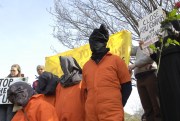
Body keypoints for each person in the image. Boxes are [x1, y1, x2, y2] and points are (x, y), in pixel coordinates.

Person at [82, 24, 132, 121]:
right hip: (91, 117)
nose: (93, 45)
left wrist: (117, 106)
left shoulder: (116, 61)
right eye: (92, 42)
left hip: (113, 115)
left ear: (103, 42)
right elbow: (85, 92)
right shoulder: (86, 66)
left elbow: (127, 86)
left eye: (96, 42)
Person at [149, 18, 180, 120]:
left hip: (176, 62)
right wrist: (148, 48)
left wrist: (175, 32)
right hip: (162, 68)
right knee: (167, 100)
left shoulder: (175, 22)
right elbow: (156, 56)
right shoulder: (157, 33)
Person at [128, 43, 161, 121]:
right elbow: (130, 50)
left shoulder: (151, 42)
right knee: (147, 108)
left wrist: (134, 65)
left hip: (150, 73)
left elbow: (150, 57)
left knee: (156, 106)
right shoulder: (139, 47)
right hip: (139, 77)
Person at [55, 56, 85, 121]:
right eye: (62, 65)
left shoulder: (83, 80)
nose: (63, 67)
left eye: (64, 64)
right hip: (61, 117)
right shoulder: (60, 83)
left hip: (79, 116)